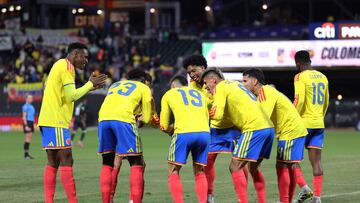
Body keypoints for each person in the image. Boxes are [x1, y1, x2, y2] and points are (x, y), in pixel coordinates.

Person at [38, 42, 107, 203]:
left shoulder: (59, 65)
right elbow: (71, 96)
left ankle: (49, 200)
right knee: (67, 159)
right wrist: (90, 84)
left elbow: (68, 94)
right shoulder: (67, 67)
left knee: (53, 162)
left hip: (48, 119)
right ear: (75, 54)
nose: (86, 61)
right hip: (56, 120)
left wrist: (89, 87)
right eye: (84, 57)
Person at [201, 68, 274, 203]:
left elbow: (217, 114)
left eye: (206, 83)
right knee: (253, 168)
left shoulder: (221, 87)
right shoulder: (235, 85)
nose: (206, 87)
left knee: (235, 166)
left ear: (214, 80)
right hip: (268, 127)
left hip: (254, 128)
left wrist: (202, 111)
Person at [183, 55, 245, 203]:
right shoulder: (192, 85)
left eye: (194, 70)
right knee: (207, 162)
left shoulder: (216, 80)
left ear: (203, 68)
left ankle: (242, 198)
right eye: (189, 72)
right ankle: (209, 196)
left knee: (240, 163)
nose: (192, 75)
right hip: (214, 129)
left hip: (232, 126)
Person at [243, 68, 309, 203]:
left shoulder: (264, 92)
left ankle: (285, 200)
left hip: (290, 131)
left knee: (282, 166)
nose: (243, 84)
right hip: (292, 130)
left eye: (245, 81)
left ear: (255, 81)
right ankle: (297, 193)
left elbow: (262, 118)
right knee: (288, 165)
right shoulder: (266, 92)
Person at [98, 68, 153, 203]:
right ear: (142, 80)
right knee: (137, 163)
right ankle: (134, 200)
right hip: (124, 121)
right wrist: (139, 119)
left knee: (107, 163)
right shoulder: (143, 87)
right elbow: (146, 119)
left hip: (103, 121)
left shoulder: (115, 84)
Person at [160, 75, 210, 203]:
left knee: (173, 170)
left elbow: (164, 126)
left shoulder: (169, 94)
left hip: (184, 133)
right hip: (204, 133)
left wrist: (171, 129)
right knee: (199, 170)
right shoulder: (200, 94)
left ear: (173, 86)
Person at [293, 50, 329, 203]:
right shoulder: (323, 77)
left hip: (303, 124)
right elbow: (326, 102)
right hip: (318, 124)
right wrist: (320, 117)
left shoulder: (300, 76)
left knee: (289, 159)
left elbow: (299, 101)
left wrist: (291, 117)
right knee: (316, 162)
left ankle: (304, 188)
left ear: (298, 63)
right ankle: (317, 197)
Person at [22, 94, 35, 159]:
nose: (31, 99)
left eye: (32, 98)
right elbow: (24, 116)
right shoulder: (25, 106)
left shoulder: (31, 106)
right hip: (28, 122)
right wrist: (26, 125)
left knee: (29, 139)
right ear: (26, 99)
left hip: (31, 122)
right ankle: (25, 155)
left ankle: (27, 154)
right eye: (30, 98)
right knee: (27, 139)